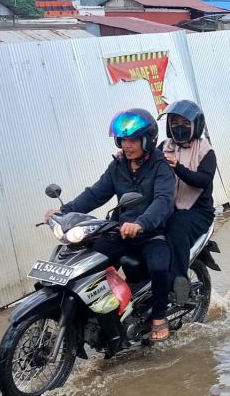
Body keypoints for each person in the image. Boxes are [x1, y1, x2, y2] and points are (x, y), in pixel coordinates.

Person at [44, 108, 176, 341]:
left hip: (151, 232)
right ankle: (103, 316)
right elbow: (96, 194)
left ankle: (158, 315)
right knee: (89, 262)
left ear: (148, 139)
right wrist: (64, 212)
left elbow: (163, 202)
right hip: (120, 232)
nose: (127, 145)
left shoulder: (161, 166)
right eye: (123, 139)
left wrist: (141, 223)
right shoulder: (118, 166)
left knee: (158, 267)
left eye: (133, 139)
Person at [159, 100, 217, 306]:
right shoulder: (164, 147)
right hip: (168, 206)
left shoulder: (205, 150)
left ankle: (179, 281)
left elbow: (203, 180)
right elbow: (148, 163)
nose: (179, 127)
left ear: (195, 125)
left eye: (184, 123)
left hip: (197, 212)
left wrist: (178, 168)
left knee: (176, 226)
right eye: (174, 122)